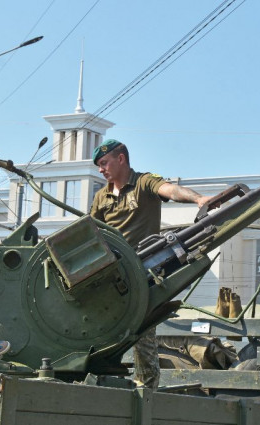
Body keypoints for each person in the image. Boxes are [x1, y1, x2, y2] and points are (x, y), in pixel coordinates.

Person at [90, 139, 211, 389]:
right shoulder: (101, 197)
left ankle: (147, 392)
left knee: (143, 333)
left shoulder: (143, 183)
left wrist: (198, 199)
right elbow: (91, 233)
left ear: (120, 159)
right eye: (99, 166)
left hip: (144, 270)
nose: (101, 170)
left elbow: (171, 190)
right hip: (111, 276)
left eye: (104, 163)